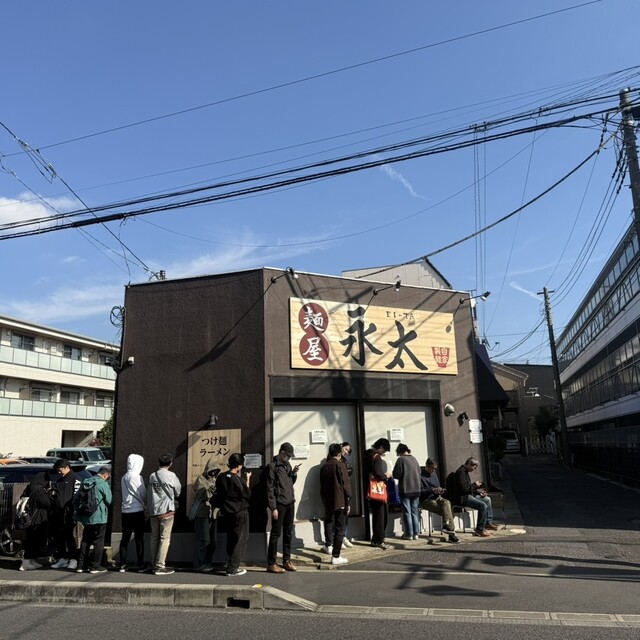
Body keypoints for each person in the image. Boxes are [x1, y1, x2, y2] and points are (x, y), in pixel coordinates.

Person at [265, 442, 300, 573]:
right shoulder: (272, 467)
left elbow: (290, 482)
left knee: (288, 532)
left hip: (290, 502)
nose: (289, 458)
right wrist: (273, 507)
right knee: (275, 533)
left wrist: (294, 473)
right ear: (282, 453)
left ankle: (286, 560)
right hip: (279, 504)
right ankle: (271, 563)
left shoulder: (287, 465)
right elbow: (269, 489)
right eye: (288, 455)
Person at [215, 452, 251, 577]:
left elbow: (218, 494)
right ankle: (232, 568)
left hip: (227, 512)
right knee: (240, 540)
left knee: (231, 538)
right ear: (239, 466)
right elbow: (247, 494)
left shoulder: (221, 477)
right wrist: (248, 479)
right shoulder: (238, 479)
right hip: (240, 512)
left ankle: (230, 563)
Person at [74, 466, 113, 574]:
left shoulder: (86, 482)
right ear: (105, 475)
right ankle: (95, 566)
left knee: (85, 540)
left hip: (86, 517)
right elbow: (109, 500)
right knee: (99, 541)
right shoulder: (103, 484)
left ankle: (81, 565)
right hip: (99, 517)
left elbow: (76, 498)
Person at [147, 453, 182, 575]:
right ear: (170, 463)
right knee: (164, 538)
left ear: (159, 462)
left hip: (154, 511)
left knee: (154, 538)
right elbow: (178, 492)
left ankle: (153, 563)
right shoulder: (171, 476)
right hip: (166, 511)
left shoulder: (152, 476)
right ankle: (160, 566)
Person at [320, 443, 352, 565]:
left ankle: (328, 545)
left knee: (328, 522)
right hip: (340, 501)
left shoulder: (324, 467)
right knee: (339, 528)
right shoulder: (340, 465)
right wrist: (348, 500)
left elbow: (322, 487)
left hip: (328, 500)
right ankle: (336, 555)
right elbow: (346, 486)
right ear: (339, 454)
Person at [450, 457, 497, 537]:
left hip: (468, 495)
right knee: (482, 506)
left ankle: (487, 523)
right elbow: (464, 489)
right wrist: (474, 485)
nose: (474, 469)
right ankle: (479, 529)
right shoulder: (461, 473)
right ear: (469, 464)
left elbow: (469, 488)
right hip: (463, 498)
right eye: (474, 467)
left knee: (487, 499)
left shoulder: (465, 472)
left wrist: (479, 493)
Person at [50, 459, 81, 571]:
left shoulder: (75, 478)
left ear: (67, 467)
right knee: (59, 536)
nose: (59, 472)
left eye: (60, 470)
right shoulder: (59, 481)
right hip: (58, 513)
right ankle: (62, 558)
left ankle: (73, 559)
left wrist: (73, 510)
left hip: (69, 513)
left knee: (69, 536)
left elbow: (77, 496)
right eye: (58, 471)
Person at [419, 458, 459, 543]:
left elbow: (437, 485)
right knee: (448, 511)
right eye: (432, 468)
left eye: (435, 469)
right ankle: (452, 535)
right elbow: (420, 490)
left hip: (436, 497)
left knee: (447, 502)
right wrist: (432, 490)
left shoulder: (434, 474)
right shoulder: (420, 475)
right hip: (426, 500)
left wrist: (440, 490)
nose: (433, 470)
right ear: (427, 466)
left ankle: (446, 525)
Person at [119, 453, 147, 573]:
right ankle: (140, 565)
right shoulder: (137, 477)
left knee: (125, 538)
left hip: (125, 511)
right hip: (137, 511)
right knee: (139, 539)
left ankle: (122, 564)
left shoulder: (124, 477)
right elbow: (143, 493)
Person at [19, 471, 52, 571]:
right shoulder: (39, 489)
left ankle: (31, 560)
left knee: (31, 539)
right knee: (35, 540)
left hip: (29, 518)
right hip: (38, 518)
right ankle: (26, 562)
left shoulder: (29, 488)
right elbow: (46, 503)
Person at [191, 458, 220, 572]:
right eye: (212, 471)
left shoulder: (216, 480)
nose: (213, 473)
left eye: (216, 471)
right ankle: (199, 564)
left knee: (213, 541)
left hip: (213, 514)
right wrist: (213, 488)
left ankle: (207, 562)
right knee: (203, 540)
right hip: (202, 514)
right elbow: (203, 495)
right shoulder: (201, 479)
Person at [363, 437, 392, 549]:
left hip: (370, 489)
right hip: (378, 490)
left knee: (376, 516)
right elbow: (378, 473)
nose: (384, 453)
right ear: (381, 447)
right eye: (384, 450)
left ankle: (375, 539)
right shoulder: (377, 457)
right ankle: (379, 540)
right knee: (381, 516)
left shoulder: (367, 455)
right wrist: (386, 476)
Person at [392, 443, 422, 540]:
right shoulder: (414, 459)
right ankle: (416, 533)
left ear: (400, 452)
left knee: (407, 512)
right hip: (416, 489)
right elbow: (419, 472)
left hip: (405, 489)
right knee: (414, 512)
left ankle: (409, 534)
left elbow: (396, 474)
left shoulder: (401, 460)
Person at [340, 442, 354, 548]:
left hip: (345, 490)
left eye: (348, 451)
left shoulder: (344, 460)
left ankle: (344, 536)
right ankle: (339, 538)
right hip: (338, 491)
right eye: (345, 449)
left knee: (345, 514)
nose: (346, 452)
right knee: (337, 517)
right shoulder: (334, 459)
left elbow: (350, 470)